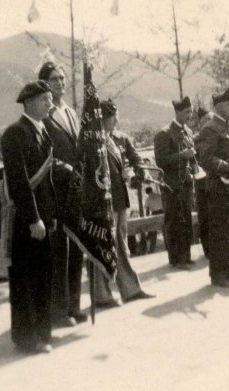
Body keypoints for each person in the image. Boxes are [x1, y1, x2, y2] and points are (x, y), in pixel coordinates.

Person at [1, 80, 57, 354]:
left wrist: (51, 214)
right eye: (45, 100)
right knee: (26, 278)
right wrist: (34, 218)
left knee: (43, 275)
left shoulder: (43, 131)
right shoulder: (15, 133)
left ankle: (42, 334)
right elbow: (19, 182)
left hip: (44, 217)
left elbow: (48, 182)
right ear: (29, 102)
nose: (51, 104)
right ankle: (26, 338)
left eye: (50, 99)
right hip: (27, 220)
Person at [89, 99, 154, 308]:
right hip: (102, 202)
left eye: (116, 115)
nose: (116, 119)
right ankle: (101, 294)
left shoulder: (120, 139)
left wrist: (138, 171)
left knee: (121, 244)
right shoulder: (92, 143)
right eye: (112, 116)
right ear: (102, 119)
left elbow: (136, 159)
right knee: (103, 246)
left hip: (119, 200)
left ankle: (130, 289)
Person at [40, 62, 85, 327]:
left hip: (75, 190)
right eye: (55, 79)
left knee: (76, 248)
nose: (61, 83)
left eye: (63, 78)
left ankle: (74, 305)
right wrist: (64, 168)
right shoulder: (44, 115)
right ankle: (58, 310)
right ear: (45, 83)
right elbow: (43, 156)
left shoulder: (71, 112)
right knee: (59, 251)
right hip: (55, 190)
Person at [195, 89, 229, 287]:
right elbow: (206, 160)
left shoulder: (227, 127)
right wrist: (228, 168)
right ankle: (218, 275)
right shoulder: (210, 128)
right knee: (220, 233)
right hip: (219, 189)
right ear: (217, 107)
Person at [153, 96, 196, 270]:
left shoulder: (188, 132)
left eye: (191, 111)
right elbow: (161, 160)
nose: (190, 115)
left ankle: (185, 256)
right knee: (173, 220)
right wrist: (182, 156)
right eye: (187, 112)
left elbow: (190, 155)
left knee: (186, 218)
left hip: (186, 182)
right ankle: (175, 259)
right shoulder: (164, 134)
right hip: (171, 185)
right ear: (177, 112)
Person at [193, 107, 212, 258]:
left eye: (211, 119)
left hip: (215, 180)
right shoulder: (196, 139)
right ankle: (207, 248)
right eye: (206, 120)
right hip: (201, 181)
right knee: (205, 215)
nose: (209, 122)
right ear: (200, 123)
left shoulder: (215, 136)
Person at [143, 186, 164, 254]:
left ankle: (152, 249)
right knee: (164, 229)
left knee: (153, 231)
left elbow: (147, 210)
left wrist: (147, 219)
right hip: (162, 212)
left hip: (155, 213)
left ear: (147, 193)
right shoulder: (159, 195)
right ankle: (167, 246)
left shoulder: (148, 199)